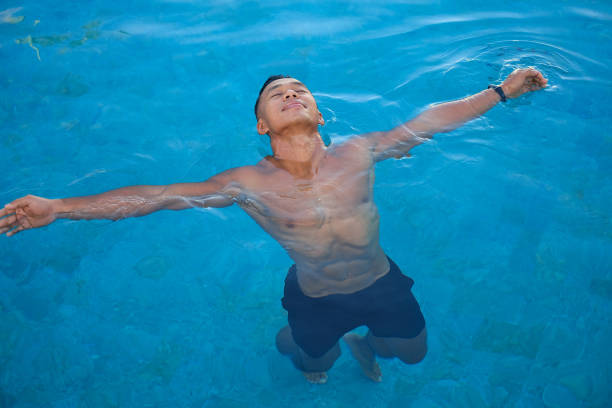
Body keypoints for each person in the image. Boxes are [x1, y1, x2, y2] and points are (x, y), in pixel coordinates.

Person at [0, 68, 547, 384]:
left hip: (379, 283)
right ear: (262, 123)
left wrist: (501, 91)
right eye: (276, 94)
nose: (290, 93)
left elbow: (428, 120)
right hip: (316, 295)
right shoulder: (248, 183)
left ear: (319, 113)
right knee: (314, 363)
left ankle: (366, 346)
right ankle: (300, 341)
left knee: (412, 352)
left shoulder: (357, 153)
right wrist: (61, 207)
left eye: (299, 89)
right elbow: (156, 197)